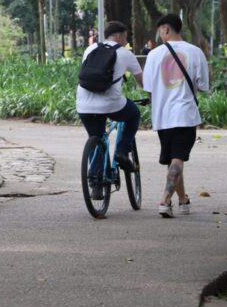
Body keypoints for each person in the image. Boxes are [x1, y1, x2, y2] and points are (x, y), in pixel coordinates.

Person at [143, 14, 209, 218]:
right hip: (185, 115)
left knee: (175, 159)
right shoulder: (196, 52)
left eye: (159, 31)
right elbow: (203, 86)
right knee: (178, 160)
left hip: (162, 117)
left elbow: (148, 88)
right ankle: (164, 201)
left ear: (165, 29)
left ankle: (183, 200)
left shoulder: (153, 55)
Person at [76, 21, 143, 200]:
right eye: (126, 37)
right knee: (134, 114)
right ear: (120, 36)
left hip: (84, 104)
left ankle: (96, 185)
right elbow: (142, 81)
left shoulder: (90, 50)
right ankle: (122, 150)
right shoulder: (126, 54)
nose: (126, 40)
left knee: (95, 138)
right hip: (111, 104)